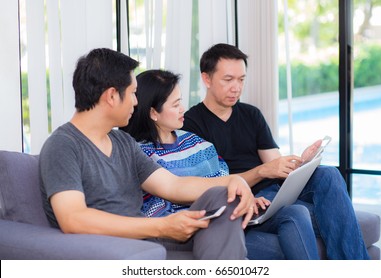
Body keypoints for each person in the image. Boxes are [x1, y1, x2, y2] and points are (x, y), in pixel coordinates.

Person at [39, 48, 255, 260]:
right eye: (133, 93)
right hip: (118, 249)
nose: (136, 102)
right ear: (112, 96)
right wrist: (161, 226)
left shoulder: (123, 143)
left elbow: (173, 185)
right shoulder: (63, 145)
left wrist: (234, 181)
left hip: (149, 242)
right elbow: (73, 219)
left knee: (220, 196)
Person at [182, 43, 370, 260]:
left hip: (274, 193)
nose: (236, 87)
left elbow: (275, 165)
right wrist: (262, 172)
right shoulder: (192, 124)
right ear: (206, 79)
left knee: (328, 174)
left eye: (241, 79)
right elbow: (209, 185)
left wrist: (300, 164)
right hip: (246, 200)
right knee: (328, 214)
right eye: (228, 80)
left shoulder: (251, 115)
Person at [120, 69, 319, 260]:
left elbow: (222, 179)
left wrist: (245, 197)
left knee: (297, 212)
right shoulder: (142, 153)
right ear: (153, 113)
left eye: (181, 101)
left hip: (232, 213)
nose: (183, 109)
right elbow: (171, 198)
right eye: (175, 105)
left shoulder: (195, 141)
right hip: (203, 227)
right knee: (285, 248)